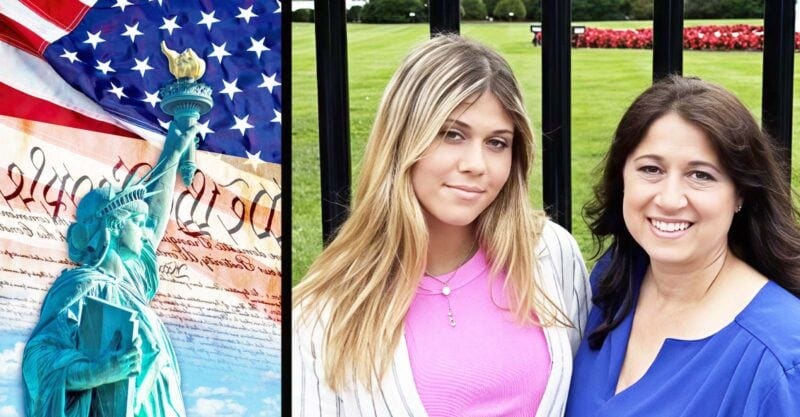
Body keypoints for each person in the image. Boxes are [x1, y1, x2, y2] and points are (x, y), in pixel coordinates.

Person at [293, 34, 591, 417]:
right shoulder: (323, 312)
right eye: (452, 134)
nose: (476, 164)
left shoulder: (548, 253)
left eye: (497, 142)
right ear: (403, 140)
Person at [566, 76, 800, 416]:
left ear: (740, 194)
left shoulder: (780, 357)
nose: (670, 199)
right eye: (651, 169)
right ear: (622, 179)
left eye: (700, 175)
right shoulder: (614, 280)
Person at [21, 113, 199, 416]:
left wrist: (175, 146)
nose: (145, 233)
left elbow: (155, 220)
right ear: (114, 226)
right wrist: (100, 371)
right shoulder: (81, 285)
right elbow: (39, 359)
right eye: (137, 223)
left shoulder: (131, 285)